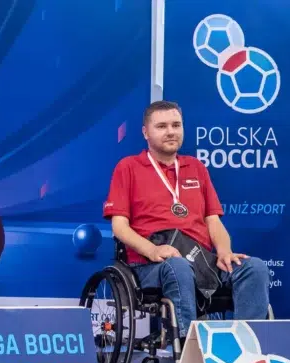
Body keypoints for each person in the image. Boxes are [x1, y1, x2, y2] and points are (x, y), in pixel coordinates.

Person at [103, 100, 270, 344]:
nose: (171, 131)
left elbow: (213, 221)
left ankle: (246, 346)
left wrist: (224, 251)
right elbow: (119, 227)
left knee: (254, 268)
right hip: (150, 265)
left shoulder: (196, 167)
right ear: (145, 132)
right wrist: (153, 250)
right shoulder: (128, 167)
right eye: (161, 126)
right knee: (177, 266)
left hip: (201, 260)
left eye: (176, 125)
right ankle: (190, 347)